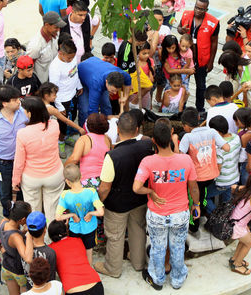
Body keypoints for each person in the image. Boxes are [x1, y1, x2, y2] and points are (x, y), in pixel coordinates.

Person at [134, 119, 200, 291]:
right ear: (172, 135)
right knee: (178, 247)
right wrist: (197, 205)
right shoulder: (185, 160)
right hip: (180, 213)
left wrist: (150, 192)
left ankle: (157, 279)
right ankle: (178, 279)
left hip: (157, 214)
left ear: (153, 141)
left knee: (158, 247)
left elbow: (136, 187)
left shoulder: (148, 162)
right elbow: (193, 186)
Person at [95, 112, 154, 278]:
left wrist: (99, 202)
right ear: (137, 129)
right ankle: (138, 262)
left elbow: (105, 187)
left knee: (115, 236)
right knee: (138, 230)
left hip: (117, 204)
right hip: (140, 198)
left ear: (118, 130)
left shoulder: (113, 156)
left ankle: (113, 268)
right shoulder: (147, 146)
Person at [179, 107, 230, 232]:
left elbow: (180, 157)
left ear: (185, 125)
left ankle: (194, 225)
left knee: (194, 201)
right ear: (198, 118)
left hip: (197, 178)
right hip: (212, 175)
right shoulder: (212, 132)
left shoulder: (187, 137)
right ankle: (202, 213)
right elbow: (227, 147)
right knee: (204, 196)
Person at [0, 85, 29, 217]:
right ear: (4, 103)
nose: (19, 101)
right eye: (15, 100)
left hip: (24, 160)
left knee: (23, 188)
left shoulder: (24, 113)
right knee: (5, 191)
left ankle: (22, 213)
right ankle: (8, 215)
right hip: (3, 163)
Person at [13, 96, 64, 217]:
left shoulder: (23, 133)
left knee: (33, 211)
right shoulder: (54, 125)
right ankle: (52, 234)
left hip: (31, 177)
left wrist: (15, 180)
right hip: (54, 174)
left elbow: (19, 161)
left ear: (29, 113)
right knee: (53, 210)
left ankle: (35, 234)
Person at [177, 0, 220, 111]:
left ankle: (200, 109)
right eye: (196, 7)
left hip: (202, 61)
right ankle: (181, 108)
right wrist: (181, 30)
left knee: (201, 87)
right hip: (185, 60)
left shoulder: (214, 23)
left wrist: (211, 62)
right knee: (182, 84)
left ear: (206, 10)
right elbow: (179, 28)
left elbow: (215, 43)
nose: (198, 10)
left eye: (201, 9)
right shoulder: (186, 15)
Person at [55, 164, 104, 265]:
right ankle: (89, 271)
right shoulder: (91, 192)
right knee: (88, 251)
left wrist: (72, 215)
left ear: (67, 181)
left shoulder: (65, 195)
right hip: (89, 227)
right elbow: (101, 212)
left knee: (76, 251)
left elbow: (58, 217)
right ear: (81, 176)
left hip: (74, 228)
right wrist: (90, 213)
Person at [48, 220, 104, 294]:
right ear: (66, 230)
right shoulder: (78, 240)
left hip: (74, 290)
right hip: (96, 285)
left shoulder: (50, 249)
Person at [49, 39, 84, 155]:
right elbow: (54, 89)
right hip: (62, 99)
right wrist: (59, 106)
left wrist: (79, 86)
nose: (71, 60)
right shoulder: (55, 67)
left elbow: (75, 73)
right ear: (61, 53)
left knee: (72, 117)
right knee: (62, 123)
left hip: (73, 94)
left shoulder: (72, 58)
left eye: (72, 57)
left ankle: (66, 136)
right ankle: (60, 142)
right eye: (68, 58)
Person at [77, 56, 131, 126]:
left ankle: (109, 126)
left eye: (116, 91)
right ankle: (84, 130)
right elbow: (93, 111)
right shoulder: (96, 84)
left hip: (96, 67)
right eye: (112, 90)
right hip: (83, 77)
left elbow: (128, 80)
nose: (114, 93)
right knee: (85, 110)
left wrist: (125, 96)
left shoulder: (121, 74)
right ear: (106, 82)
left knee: (107, 106)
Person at [38, 82, 85, 158]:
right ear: (46, 96)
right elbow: (66, 120)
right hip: (47, 133)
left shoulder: (36, 102)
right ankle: (60, 143)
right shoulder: (51, 109)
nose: (56, 97)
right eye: (54, 95)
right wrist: (79, 128)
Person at [65, 113, 111, 188]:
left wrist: (63, 168)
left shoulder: (84, 139)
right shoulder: (107, 139)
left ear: (89, 126)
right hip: (105, 180)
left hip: (88, 181)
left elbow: (74, 159)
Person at [206, 116, 241, 210]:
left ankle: (214, 215)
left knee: (204, 197)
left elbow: (218, 170)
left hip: (222, 181)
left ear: (216, 132)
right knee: (227, 204)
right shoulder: (236, 138)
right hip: (234, 177)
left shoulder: (219, 148)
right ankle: (225, 219)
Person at [0, 201, 32, 295]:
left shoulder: (4, 222)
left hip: (6, 266)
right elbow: (28, 258)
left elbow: (7, 239)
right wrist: (29, 235)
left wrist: (22, 232)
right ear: (22, 220)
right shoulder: (16, 237)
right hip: (18, 271)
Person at [27, 11, 66, 83]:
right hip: (42, 83)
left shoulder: (55, 34)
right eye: (56, 27)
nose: (58, 30)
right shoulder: (35, 46)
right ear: (47, 25)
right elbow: (28, 67)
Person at [24, 211, 57, 280]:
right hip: (45, 289)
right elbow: (51, 278)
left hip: (29, 287)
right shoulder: (50, 253)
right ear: (45, 230)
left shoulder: (23, 247)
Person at [233, 107, 251, 185]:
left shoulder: (245, 135)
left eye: (237, 122)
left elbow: (243, 155)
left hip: (246, 163)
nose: (236, 124)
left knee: (245, 183)